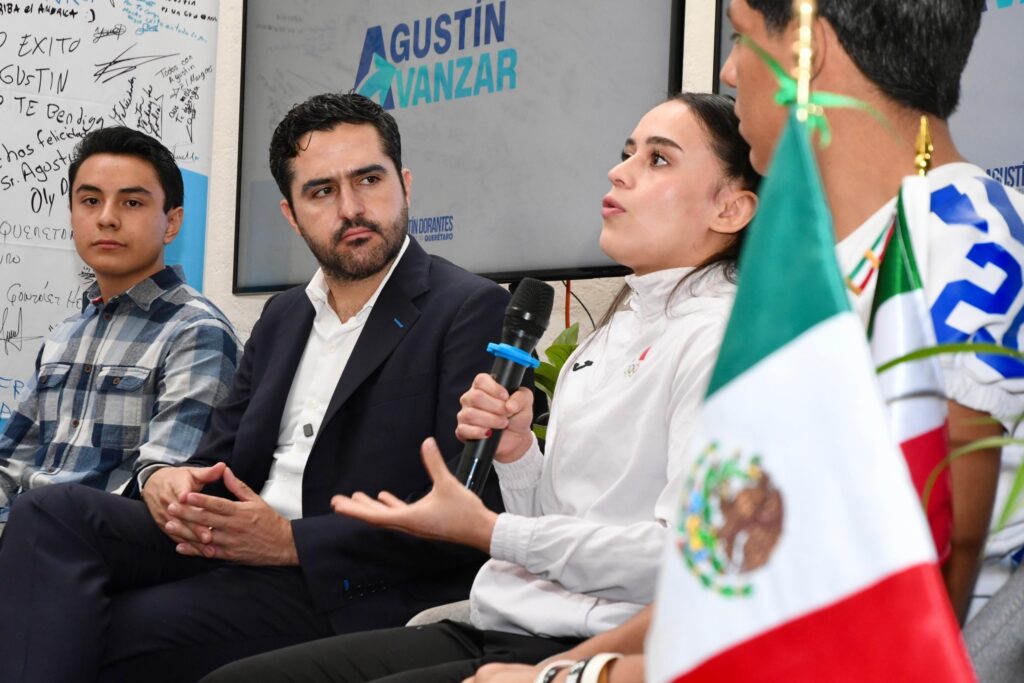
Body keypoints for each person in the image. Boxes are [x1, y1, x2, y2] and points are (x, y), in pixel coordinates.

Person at [435, 1, 1024, 680]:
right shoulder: (848, 256)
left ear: (806, 50)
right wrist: (573, 663)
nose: (728, 70)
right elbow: (731, 567)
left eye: (741, 37)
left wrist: (567, 677)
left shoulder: (954, 247)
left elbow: (889, 622)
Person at [200, 91, 762, 683]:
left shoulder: (725, 340)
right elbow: (557, 514)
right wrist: (517, 454)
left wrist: (493, 530)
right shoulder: (610, 335)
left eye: (658, 159)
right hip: (509, 618)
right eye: (627, 153)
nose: (618, 172)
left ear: (730, 209)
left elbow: (694, 561)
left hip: (598, 643)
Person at [0, 93, 510, 682]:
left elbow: (471, 510)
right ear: (291, 214)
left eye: (369, 180)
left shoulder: (467, 308)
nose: (351, 208)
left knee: (91, 626)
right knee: (51, 513)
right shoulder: (284, 315)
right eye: (321, 191)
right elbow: (218, 455)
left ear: (406, 185)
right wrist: (170, 479)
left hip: (339, 581)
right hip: (235, 544)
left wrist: (292, 541)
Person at [0, 126, 240, 528]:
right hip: (29, 535)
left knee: (44, 510)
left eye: (131, 202)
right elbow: (9, 466)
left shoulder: (197, 331)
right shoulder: (64, 336)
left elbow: (166, 481)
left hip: (110, 542)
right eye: (90, 201)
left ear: (171, 223)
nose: (107, 218)